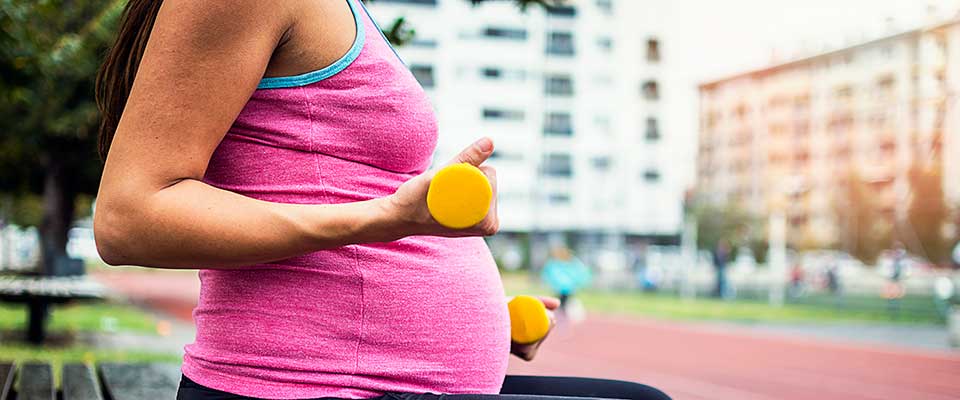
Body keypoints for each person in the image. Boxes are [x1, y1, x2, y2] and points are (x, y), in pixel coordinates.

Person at [93, 1, 669, 400]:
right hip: (309, 386)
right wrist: (389, 219)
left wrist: (488, 321)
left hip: (371, 378)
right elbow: (129, 219)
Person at [541, 246, 592, 315]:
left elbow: (579, 273)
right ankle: (562, 313)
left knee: (561, 304)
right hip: (564, 288)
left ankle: (563, 313)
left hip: (565, 288)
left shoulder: (569, 264)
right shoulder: (558, 264)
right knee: (560, 303)